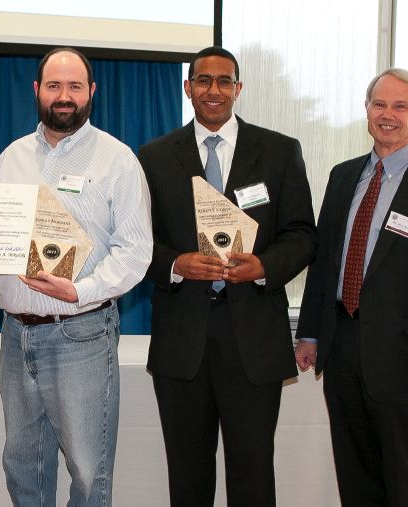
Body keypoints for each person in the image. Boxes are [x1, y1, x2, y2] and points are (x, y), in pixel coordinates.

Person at [0, 47, 152, 506]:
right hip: (15, 332)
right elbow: (4, 238)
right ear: (37, 91)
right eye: (53, 86)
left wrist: (79, 290)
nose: (63, 96)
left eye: (73, 86)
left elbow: (136, 252)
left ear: (91, 92)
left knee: (88, 472)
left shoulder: (117, 160)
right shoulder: (12, 157)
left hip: (81, 332)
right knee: (23, 464)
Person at [136, 46, 316, 506]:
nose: (212, 91)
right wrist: (176, 264)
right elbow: (136, 241)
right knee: (187, 475)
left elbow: (302, 234)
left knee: (252, 473)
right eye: (203, 81)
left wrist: (265, 267)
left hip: (253, 340)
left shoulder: (278, 151)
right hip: (182, 341)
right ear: (188, 88)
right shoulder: (154, 158)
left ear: (238, 89)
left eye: (223, 81)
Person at [294, 68, 408, 506]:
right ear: (367, 110)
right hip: (342, 351)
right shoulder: (343, 177)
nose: (388, 115)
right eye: (379, 104)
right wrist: (311, 331)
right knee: (356, 482)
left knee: (407, 485)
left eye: (400, 106)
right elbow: (324, 263)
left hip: (407, 364)